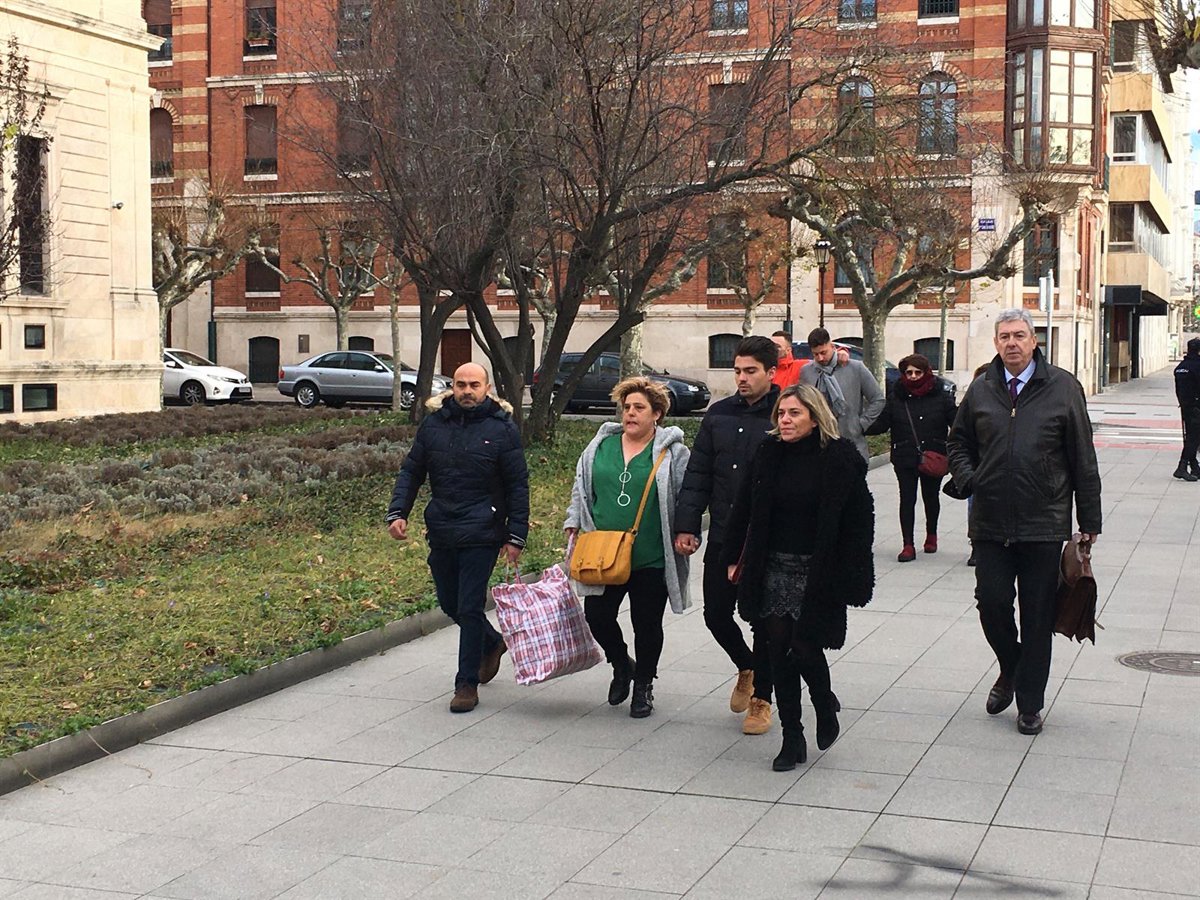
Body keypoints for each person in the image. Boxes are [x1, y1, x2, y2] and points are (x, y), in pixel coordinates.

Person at [948, 309, 1101, 736]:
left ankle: (1030, 703)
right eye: (1004, 336)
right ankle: (1011, 666)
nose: (1011, 343)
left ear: (1034, 341)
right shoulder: (982, 388)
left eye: (1019, 335)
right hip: (990, 521)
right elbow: (958, 442)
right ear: (996, 343)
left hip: (1043, 522)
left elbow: (1083, 456)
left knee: (1037, 615)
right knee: (991, 602)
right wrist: (969, 478)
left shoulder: (1063, 388)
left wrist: (1089, 518)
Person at [722, 384, 874, 771]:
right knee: (778, 651)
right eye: (781, 414)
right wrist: (732, 555)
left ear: (815, 417)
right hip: (772, 565)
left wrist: (852, 572)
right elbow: (744, 507)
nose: (785, 420)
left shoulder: (839, 458)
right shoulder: (768, 452)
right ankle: (793, 737)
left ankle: (823, 701)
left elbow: (860, 522)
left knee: (805, 646)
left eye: (794, 413)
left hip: (817, 569)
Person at [386, 363, 529, 713]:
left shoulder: (502, 429)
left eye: (474, 385)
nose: (467, 390)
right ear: (452, 387)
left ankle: (466, 684)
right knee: (450, 603)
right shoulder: (434, 424)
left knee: (469, 606)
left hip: (483, 529)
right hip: (442, 527)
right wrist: (398, 511)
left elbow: (517, 485)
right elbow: (412, 470)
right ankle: (492, 641)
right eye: (460, 384)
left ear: (487, 388)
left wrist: (516, 535)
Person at [565, 377, 690, 718]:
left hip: (651, 554)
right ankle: (621, 664)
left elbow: (687, 498)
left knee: (646, 624)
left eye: (639, 408)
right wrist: (573, 520)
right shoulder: (599, 446)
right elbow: (581, 487)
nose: (630, 413)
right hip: (602, 553)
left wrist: (687, 531)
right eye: (627, 407)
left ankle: (644, 685)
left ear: (657, 414)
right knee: (597, 616)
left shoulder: (673, 453)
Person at [675, 335, 779, 736]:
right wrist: (687, 525)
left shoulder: (786, 412)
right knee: (716, 614)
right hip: (723, 533)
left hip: (766, 539)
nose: (742, 378)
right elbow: (698, 473)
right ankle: (746, 666)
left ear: (771, 372)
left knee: (763, 621)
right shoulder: (718, 415)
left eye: (750, 371)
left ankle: (762, 700)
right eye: (737, 371)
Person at [866, 354, 957, 562]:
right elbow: (882, 424)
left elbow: (956, 422)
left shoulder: (941, 396)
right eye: (909, 373)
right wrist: (858, 426)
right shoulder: (896, 396)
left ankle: (931, 535)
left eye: (918, 372)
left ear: (926, 372)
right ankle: (908, 544)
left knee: (931, 497)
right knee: (907, 499)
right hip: (905, 455)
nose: (913, 376)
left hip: (933, 454)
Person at [799, 327, 885, 461]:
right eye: (815, 354)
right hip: (819, 443)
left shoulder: (855, 367)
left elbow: (878, 399)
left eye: (823, 352)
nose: (820, 358)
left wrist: (861, 424)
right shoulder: (806, 371)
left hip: (851, 441)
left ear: (832, 346)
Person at [1172, 337, 1200, 481]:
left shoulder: (1180, 367)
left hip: (1185, 406)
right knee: (1193, 439)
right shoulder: (1197, 366)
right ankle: (1181, 467)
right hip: (1197, 406)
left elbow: (1178, 389)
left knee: (1191, 437)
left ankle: (1195, 467)